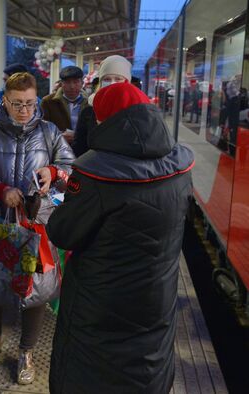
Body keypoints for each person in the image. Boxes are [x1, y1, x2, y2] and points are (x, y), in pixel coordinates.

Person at [46, 82, 194, 393]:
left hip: (100, 306)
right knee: (145, 371)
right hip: (157, 298)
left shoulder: (95, 172)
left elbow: (63, 232)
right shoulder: (180, 165)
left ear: (104, 121)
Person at [0, 72, 75, 385]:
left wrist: (54, 172)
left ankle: (26, 351)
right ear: (5, 101)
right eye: (16, 104)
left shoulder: (50, 133)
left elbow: (72, 171)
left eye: (29, 103)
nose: (24, 110)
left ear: (36, 100)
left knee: (34, 290)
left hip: (36, 225)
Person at [73, 55, 132, 157]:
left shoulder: (135, 111)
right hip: (92, 169)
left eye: (118, 79)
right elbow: (79, 148)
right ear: (100, 82)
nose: (112, 83)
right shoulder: (88, 112)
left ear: (127, 82)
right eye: (107, 79)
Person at [41, 66, 88, 145]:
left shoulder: (90, 103)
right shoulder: (48, 102)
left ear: (82, 83)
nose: (72, 86)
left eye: (76, 82)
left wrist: (77, 136)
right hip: (58, 149)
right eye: (67, 82)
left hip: (83, 150)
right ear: (61, 84)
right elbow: (41, 129)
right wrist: (59, 136)